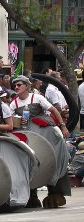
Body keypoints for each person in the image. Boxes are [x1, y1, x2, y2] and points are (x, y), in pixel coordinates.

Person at [9, 75, 70, 208]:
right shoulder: (13, 103)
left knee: (54, 149)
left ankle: (54, 191)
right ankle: (31, 195)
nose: (16, 87)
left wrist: (62, 125)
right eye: (15, 85)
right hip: (24, 132)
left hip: (41, 130)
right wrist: (16, 120)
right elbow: (10, 119)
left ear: (26, 86)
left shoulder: (37, 97)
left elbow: (53, 110)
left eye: (19, 85)